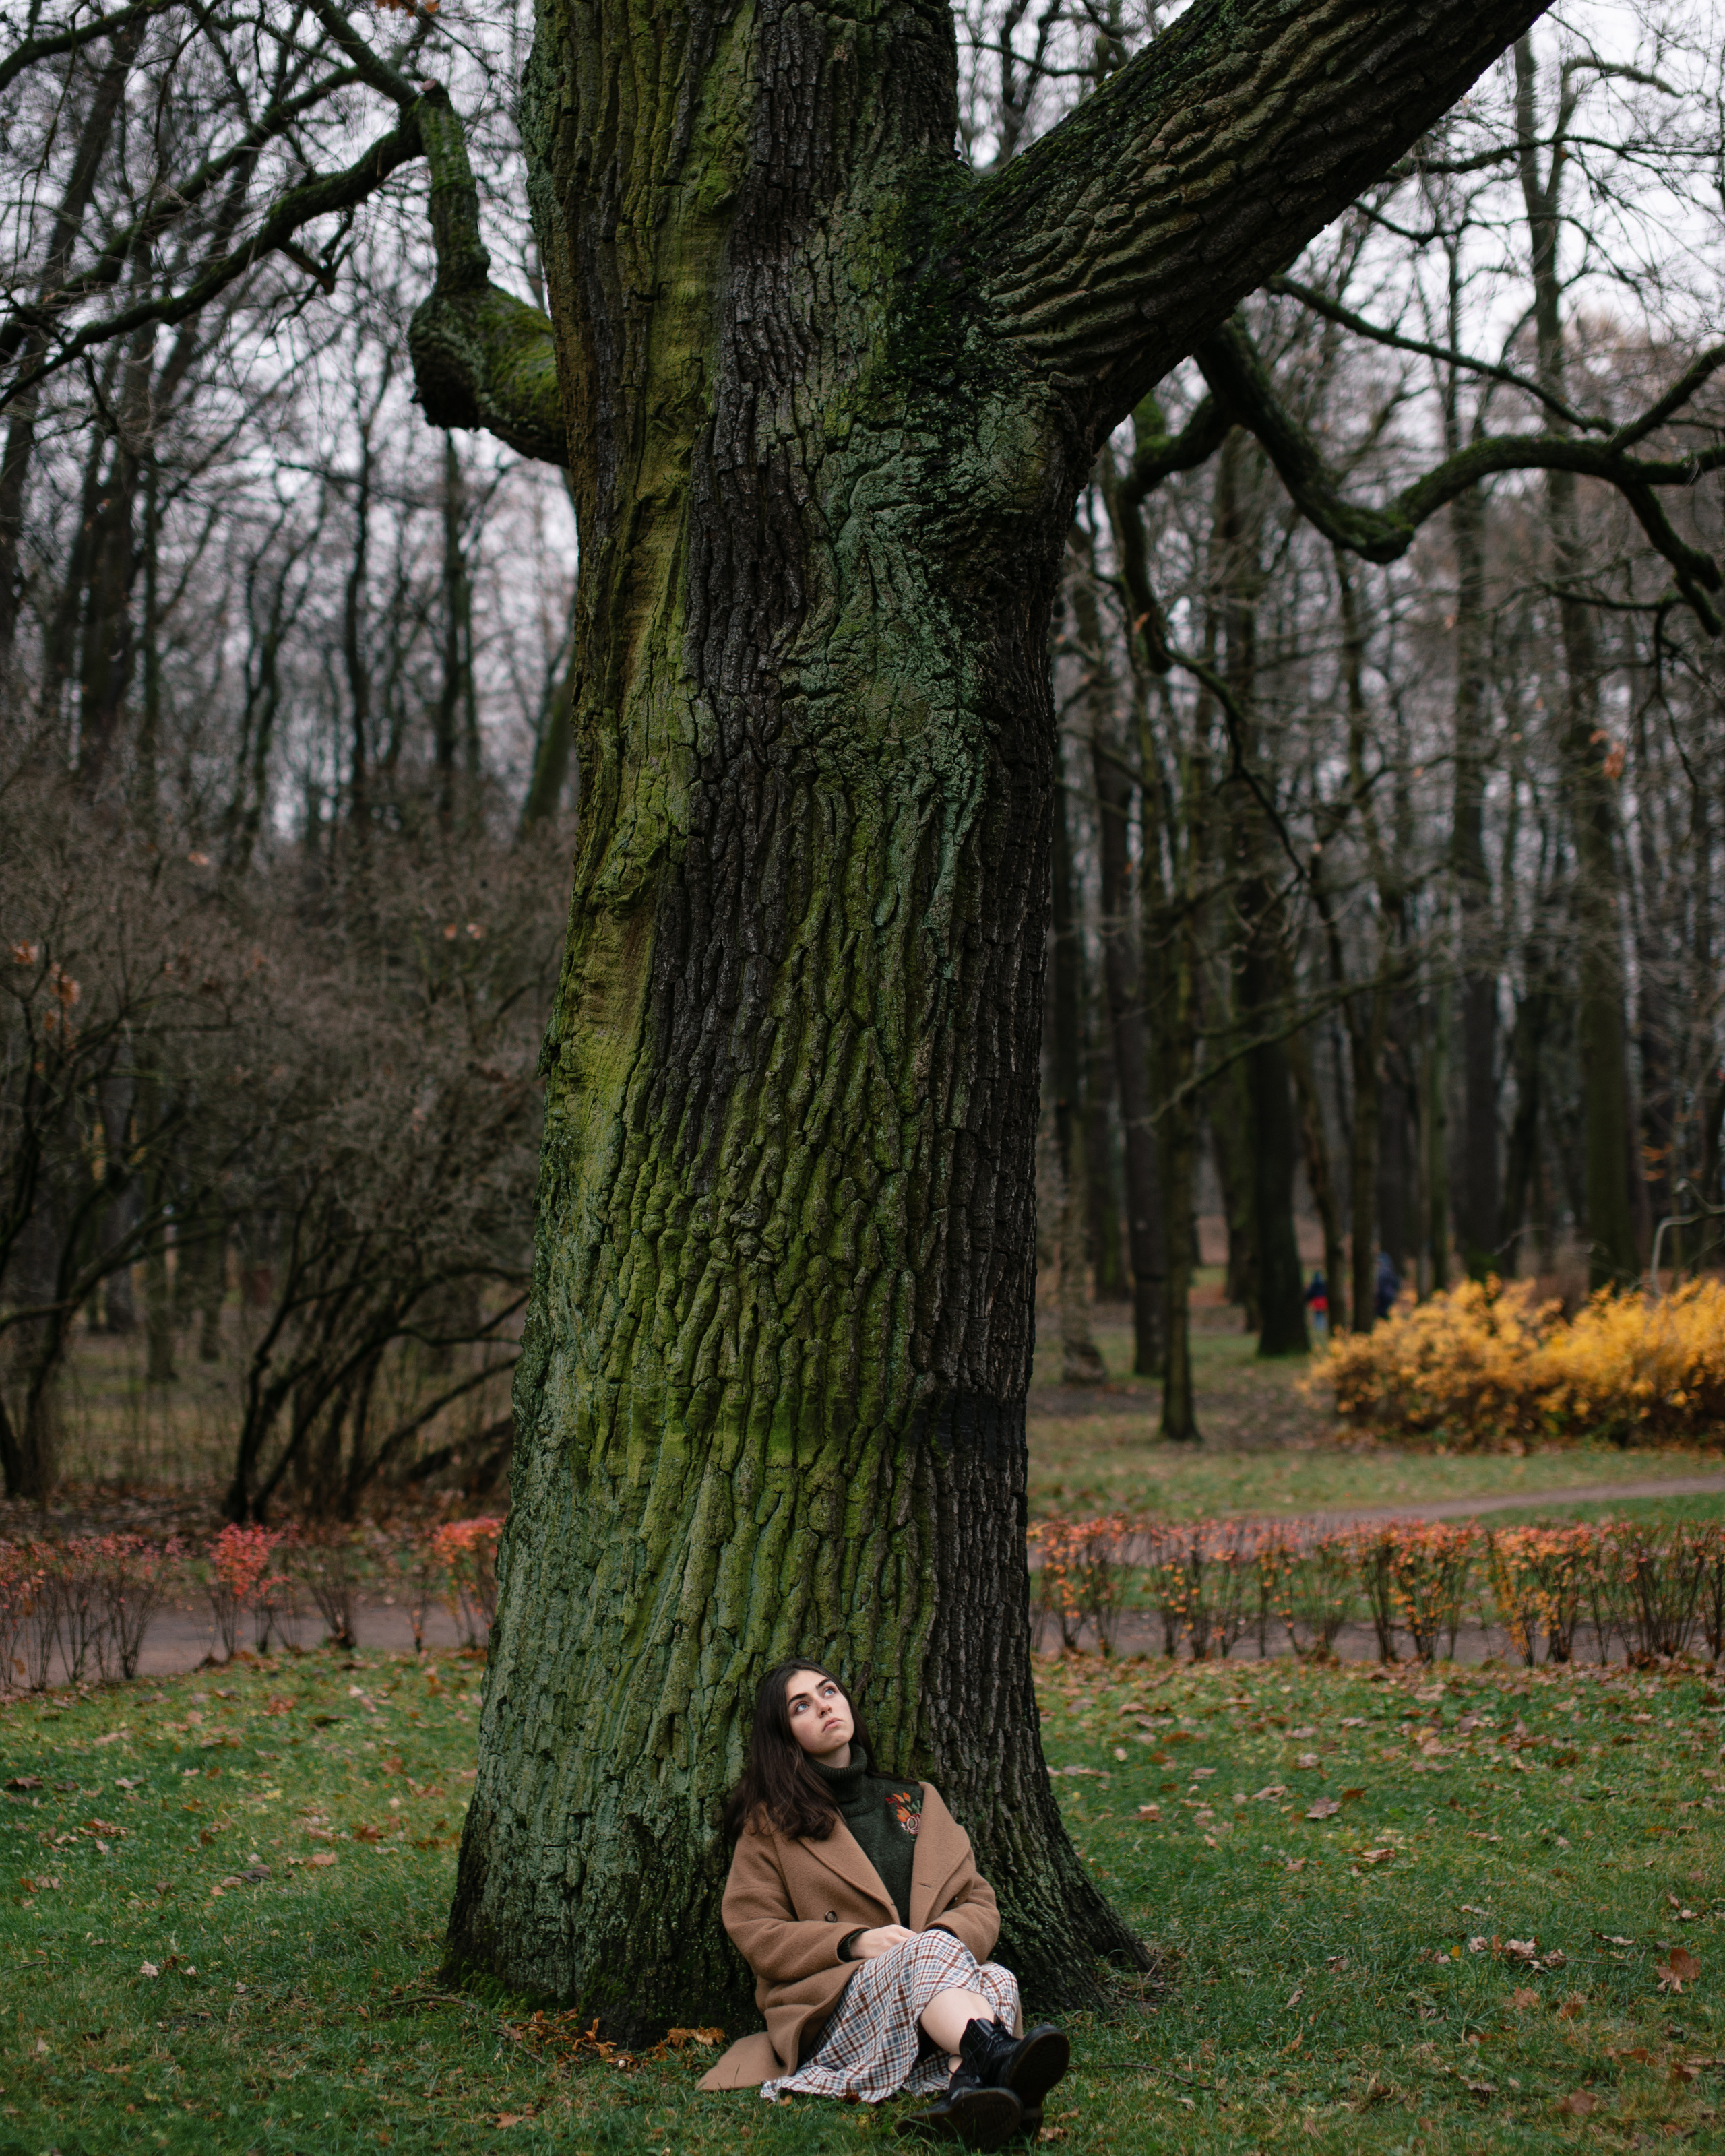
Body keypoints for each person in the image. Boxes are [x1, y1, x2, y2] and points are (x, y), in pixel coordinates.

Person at [699, 1659, 1069, 2147]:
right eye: (801, 1706)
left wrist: (940, 1943)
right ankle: (997, 2056)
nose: (824, 1706)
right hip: (835, 2010)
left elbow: (978, 1900)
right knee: (942, 1960)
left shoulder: (915, 1801)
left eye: (829, 1691)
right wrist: (853, 1942)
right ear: (783, 1735)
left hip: (928, 1996)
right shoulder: (773, 1825)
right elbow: (755, 1929)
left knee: (997, 1976)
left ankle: (968, 2093)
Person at [1375, 1248, 1402, 1321]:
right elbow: (1397, 1283)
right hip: (1390, 1295)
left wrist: (1376, 1296)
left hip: (1383, 1296)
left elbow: (1380, 1285)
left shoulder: (1381, 1272)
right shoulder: (1390, 1270)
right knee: (1384, 1312)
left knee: (1380, 1314)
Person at [1303, 1269, 1328, 1340]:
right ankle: (1323, 1327)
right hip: (1323, 1300)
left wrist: (1308, 1300)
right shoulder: (1324, 1284)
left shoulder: (1313, 1285)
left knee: (1317, 1314)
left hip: (1316, 1301)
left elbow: (1310, 1293)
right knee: (1322, 1314)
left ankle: (1318, 1327)